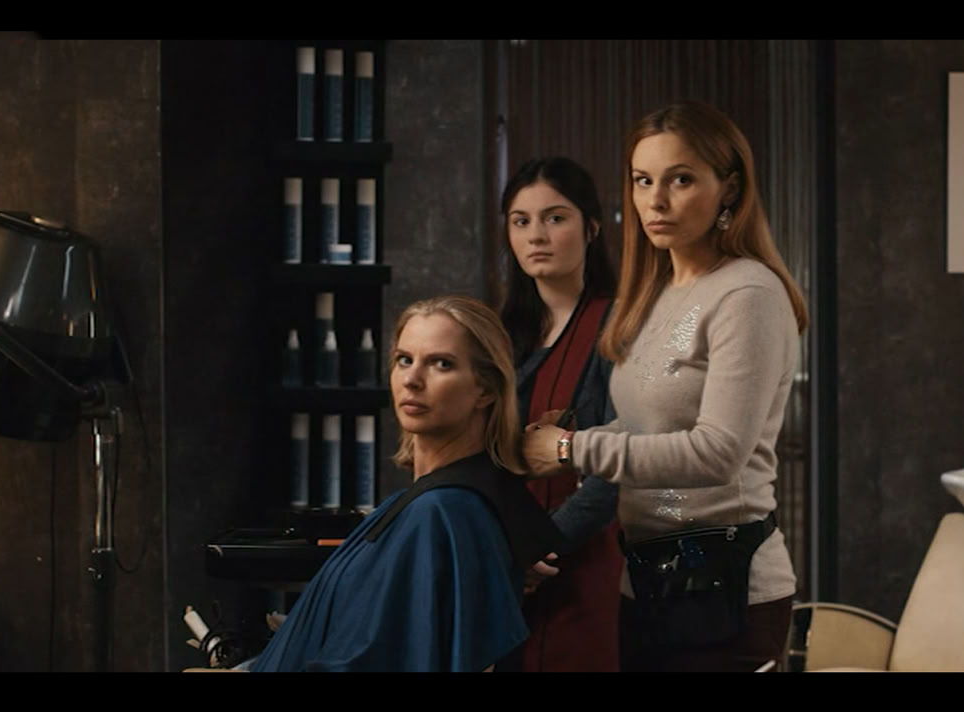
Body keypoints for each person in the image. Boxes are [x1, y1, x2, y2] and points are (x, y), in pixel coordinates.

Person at [521, 100, 809, 672]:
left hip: (727, 588)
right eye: (643, 180)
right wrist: (567, 440)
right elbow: (648, 430)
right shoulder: (654, 293)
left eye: (681, 180)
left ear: (729, 188)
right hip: (647, 582)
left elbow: (719, 452)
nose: (655, 200)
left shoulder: (747, 294)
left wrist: (572, 448)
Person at [243, 296, 563, 672]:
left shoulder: (441, 513)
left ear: (486, 390)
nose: (411, 379)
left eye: (441, 364)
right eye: (404, 360)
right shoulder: (418, 504)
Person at [496, 157, 622, 672]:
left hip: (582, 560)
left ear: (591, 227)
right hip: (503, 561)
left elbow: (619, 465)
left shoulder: (619, 327)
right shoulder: (500, 335)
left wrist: (540, 545)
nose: (536, 235)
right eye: (521, 221)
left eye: (555, 218)